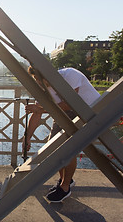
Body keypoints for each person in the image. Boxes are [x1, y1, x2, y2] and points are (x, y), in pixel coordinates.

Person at [23, 66, 100, 203]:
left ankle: (65, 187)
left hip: (89, 112)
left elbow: (71, 103)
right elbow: (36, 113)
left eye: (40, 79)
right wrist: (27, 137)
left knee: (67, 148)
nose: (39, 82)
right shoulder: (43, 87)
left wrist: (41, 108)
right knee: (54, 147)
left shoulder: (70, 75)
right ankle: (66, 181)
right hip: (64, 113)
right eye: (36, 79)